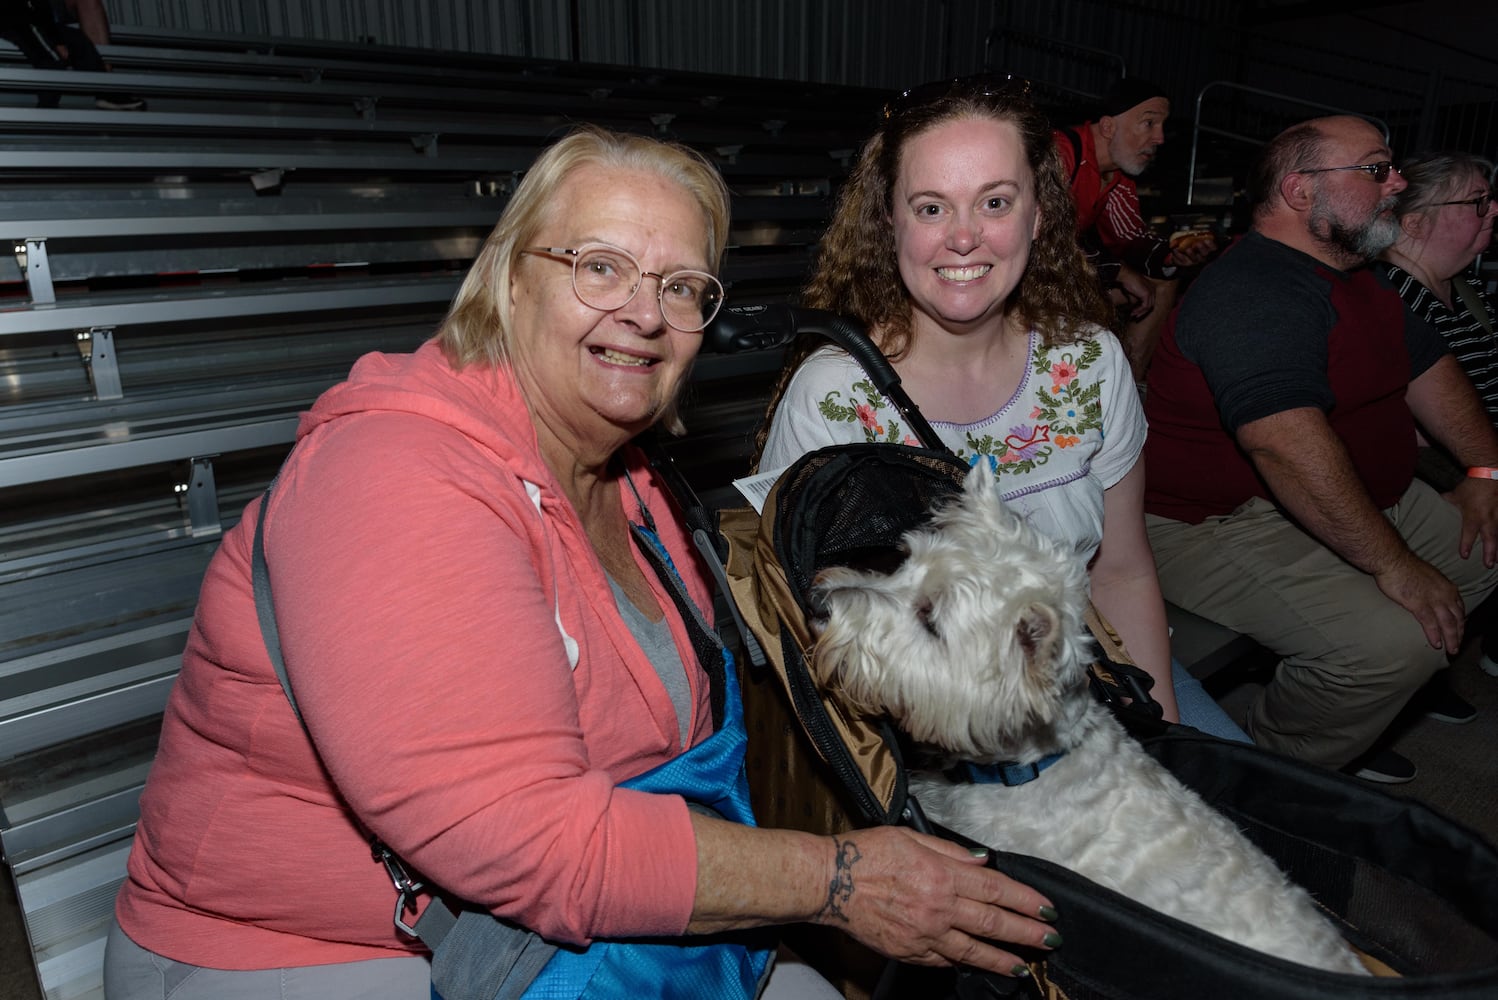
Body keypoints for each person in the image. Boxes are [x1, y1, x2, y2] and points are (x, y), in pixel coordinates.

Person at [102, 125, 1061, 1000]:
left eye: (683, 287)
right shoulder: (393, 479)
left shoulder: (627, 477)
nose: (645, 314)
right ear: (509, 278)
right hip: (302, 953)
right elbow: (523, 839)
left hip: (541, 929)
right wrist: (840, 881)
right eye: (599, 266)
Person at [754, 74, 1248, 742]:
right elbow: (799, 624)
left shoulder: (1091, 365)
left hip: (1083, 675)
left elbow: (1123, 569)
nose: (964, 238)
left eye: (994, 202)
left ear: (1038, 214)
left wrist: (1161, 734)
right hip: (920, 726)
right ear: (890, 221)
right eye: (931, 208)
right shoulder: (833, 395)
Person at [1143, 115, 1498, 784]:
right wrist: (1393, 565)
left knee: (1482, 544)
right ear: (1302, 191)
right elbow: (1282, 447)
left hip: (1342, 491)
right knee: (1389, 648)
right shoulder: (1253, 290)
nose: (1397, 181)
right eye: (1375, 168)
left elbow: (1431, 370)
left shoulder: (1360, 278)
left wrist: (1488, 468)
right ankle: (1275, 771)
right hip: (1210, 520)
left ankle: (1344, 716)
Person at [1052, 78, 1217, 385]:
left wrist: (1173, 254)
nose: (1160, 138)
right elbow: (1042, 236)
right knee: (1125, 281)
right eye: (1149, 123)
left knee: (1163, 281)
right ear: (1107, 126)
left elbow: (1130, 238)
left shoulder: (1115, 175)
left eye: (1162, 125)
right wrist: (1115, 270)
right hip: (1031, 280)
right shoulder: (1061, 153)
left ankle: (1128, 386)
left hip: (1065, 274)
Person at [0, 0, 144, 109]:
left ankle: (107, 89)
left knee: (75, 39)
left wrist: (55, 37)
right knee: (51, 57)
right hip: (19, 20)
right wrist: (56, 40)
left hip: (37, 16)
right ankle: (47, 107)